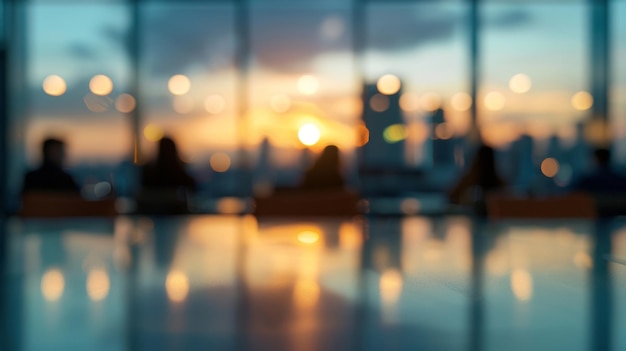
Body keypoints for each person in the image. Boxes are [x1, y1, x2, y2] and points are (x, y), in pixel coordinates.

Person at [138, 137, 196, 214]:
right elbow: (194, 187)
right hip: (177, 217)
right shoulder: (178, 172)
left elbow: (142, 195)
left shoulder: (149, 172)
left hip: (154, 216)